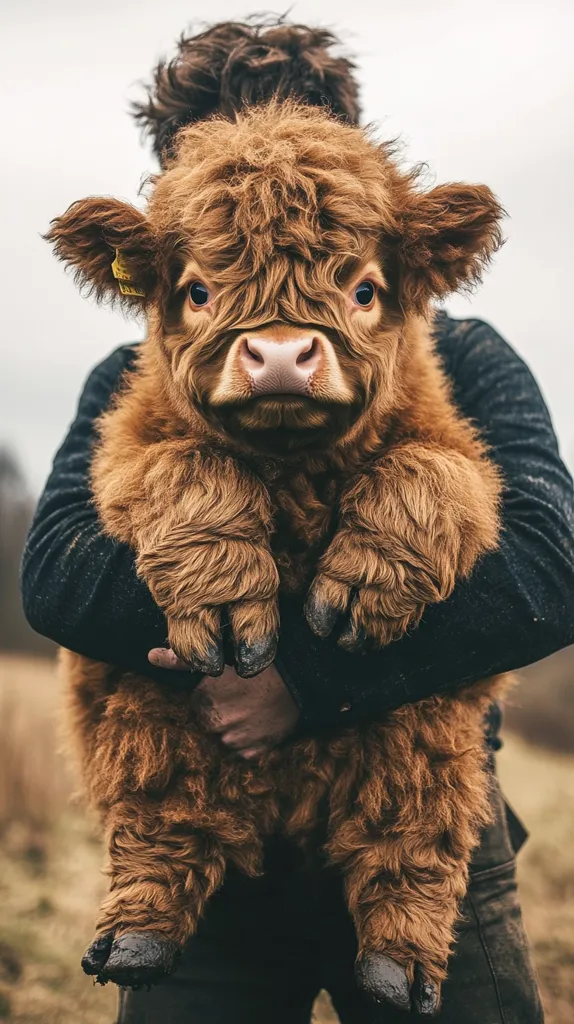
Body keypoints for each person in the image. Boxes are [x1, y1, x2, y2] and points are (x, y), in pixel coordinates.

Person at [21, 18, 574, 1024]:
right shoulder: (127, 373)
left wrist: (306, 686)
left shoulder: (469, 354)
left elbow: (546, 572)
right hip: (208, 872)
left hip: (426, 840)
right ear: (176, 188)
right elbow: (57, 578)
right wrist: (201, 551)